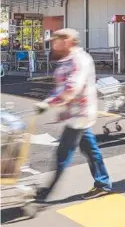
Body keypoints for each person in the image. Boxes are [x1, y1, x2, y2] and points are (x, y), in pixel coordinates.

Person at [34, 29, 111, 202]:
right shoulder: (67, 59)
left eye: (56, 40)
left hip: (79, 115)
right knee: (90, 150)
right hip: (75, 114)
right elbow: (62, 87)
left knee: (62, 153)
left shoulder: (79, 60)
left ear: (67, 41)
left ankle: (47, 192)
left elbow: (71, 89)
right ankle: (103, 183)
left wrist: (48, 103)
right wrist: (50, 101)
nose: (53, 43)